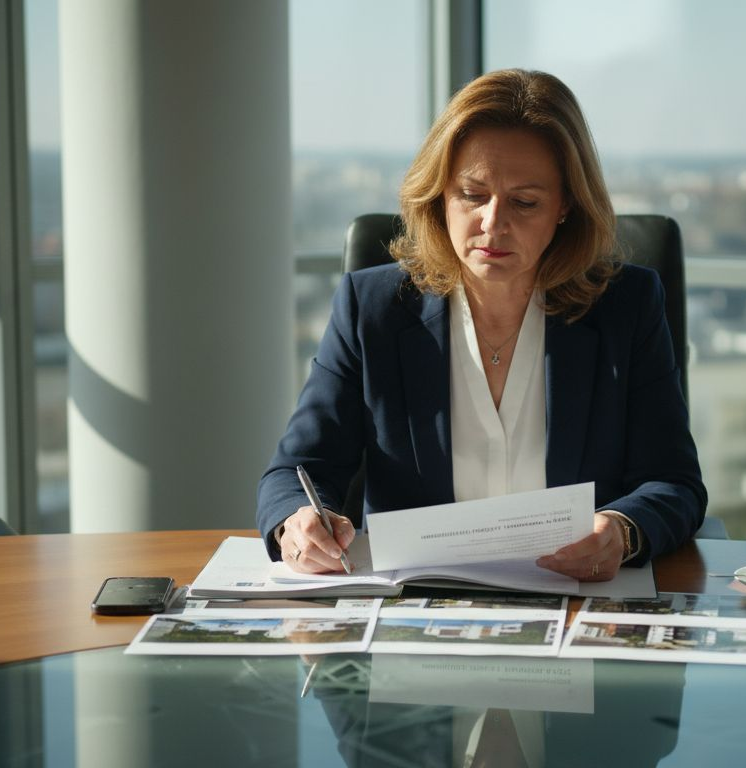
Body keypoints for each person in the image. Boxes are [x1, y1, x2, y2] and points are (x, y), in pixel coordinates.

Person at [256, 68, 705, 581]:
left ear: (565, 207)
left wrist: (624, 530)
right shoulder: (373, 307)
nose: (494, 223)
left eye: (525, 201)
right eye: (472, 194)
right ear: (440, 195)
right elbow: (295, 472)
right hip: (414, 619)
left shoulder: (626, 307)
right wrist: (298, 522)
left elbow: (673, 482)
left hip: (578, 605)